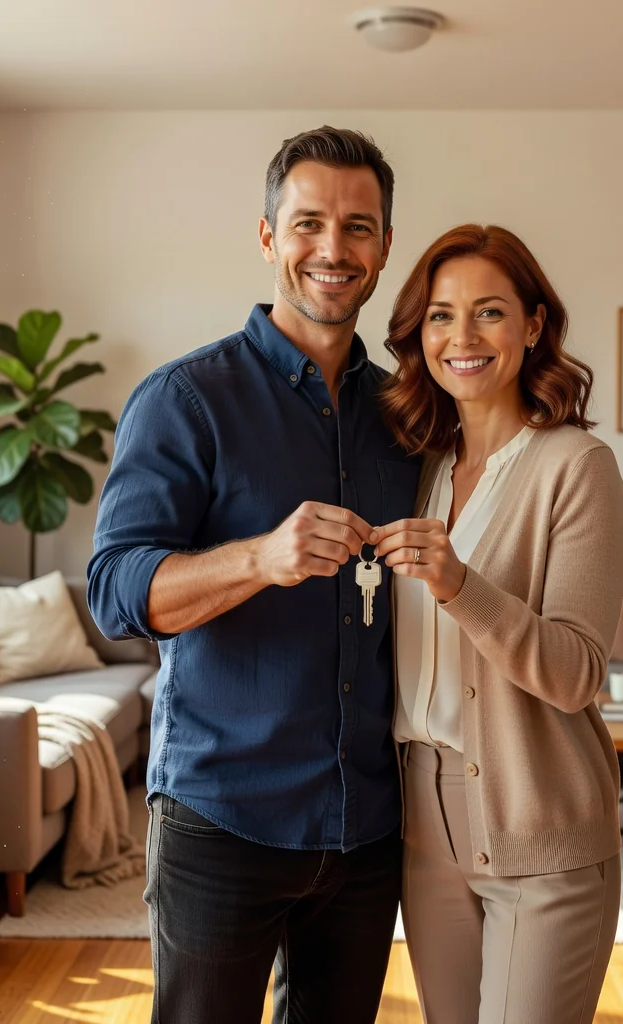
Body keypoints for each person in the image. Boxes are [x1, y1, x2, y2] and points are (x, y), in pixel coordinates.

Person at [86, 127, 420, 1024]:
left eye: (359, 227)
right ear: (270, 237)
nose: (333, 249)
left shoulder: (405, 416)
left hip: (368, 827)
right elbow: (116, 591)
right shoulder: (185, 399)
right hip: (222, 818)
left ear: (385, 247)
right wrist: (260, 559)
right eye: (309, 222)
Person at [373, 224, 623, 1024]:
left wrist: (460, 584)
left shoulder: (575, 467)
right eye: (441, 316)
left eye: (489, 312)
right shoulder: (419, 467)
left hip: (539, 820)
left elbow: (579, 672)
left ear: (533, 325)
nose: (463, 337)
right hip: (421, 821)